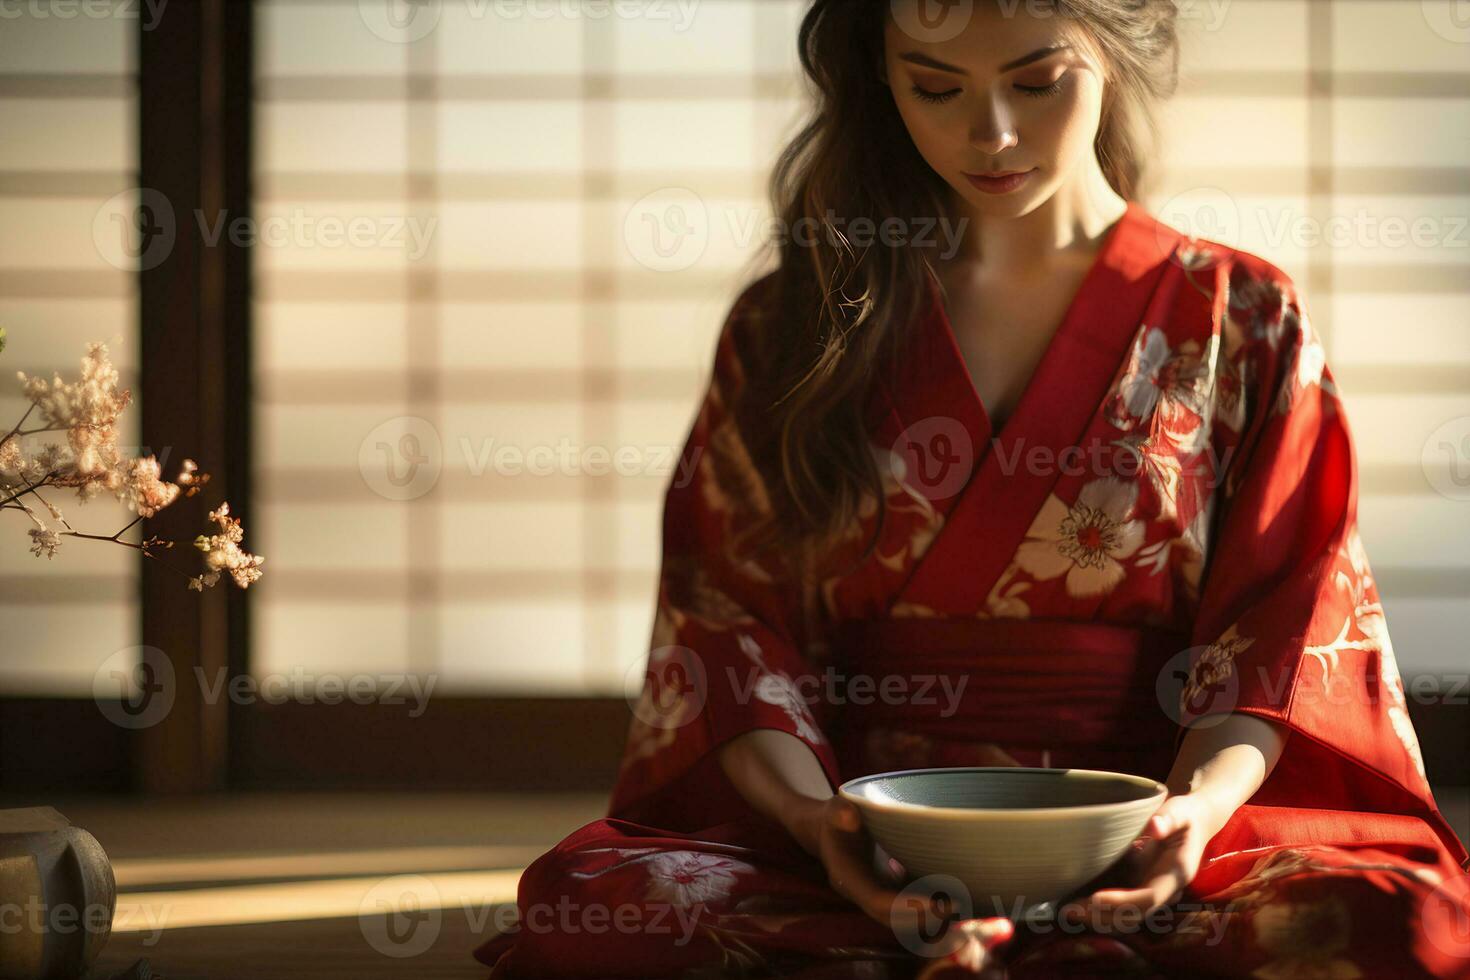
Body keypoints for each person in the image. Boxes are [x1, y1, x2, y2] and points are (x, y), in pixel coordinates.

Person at [474, 1, 1470, 976]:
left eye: (1036, 82)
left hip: (1150, 821)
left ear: (1118, 48)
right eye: (935, 86)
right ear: (881, 79)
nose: (989, 133)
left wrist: (1192, 814)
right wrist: (820, 822)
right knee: (590, 898)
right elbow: (727, 620)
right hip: (870, 831)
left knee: (1408, 920)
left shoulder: (1242, 314)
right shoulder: (795, 322)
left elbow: (1286, 616)